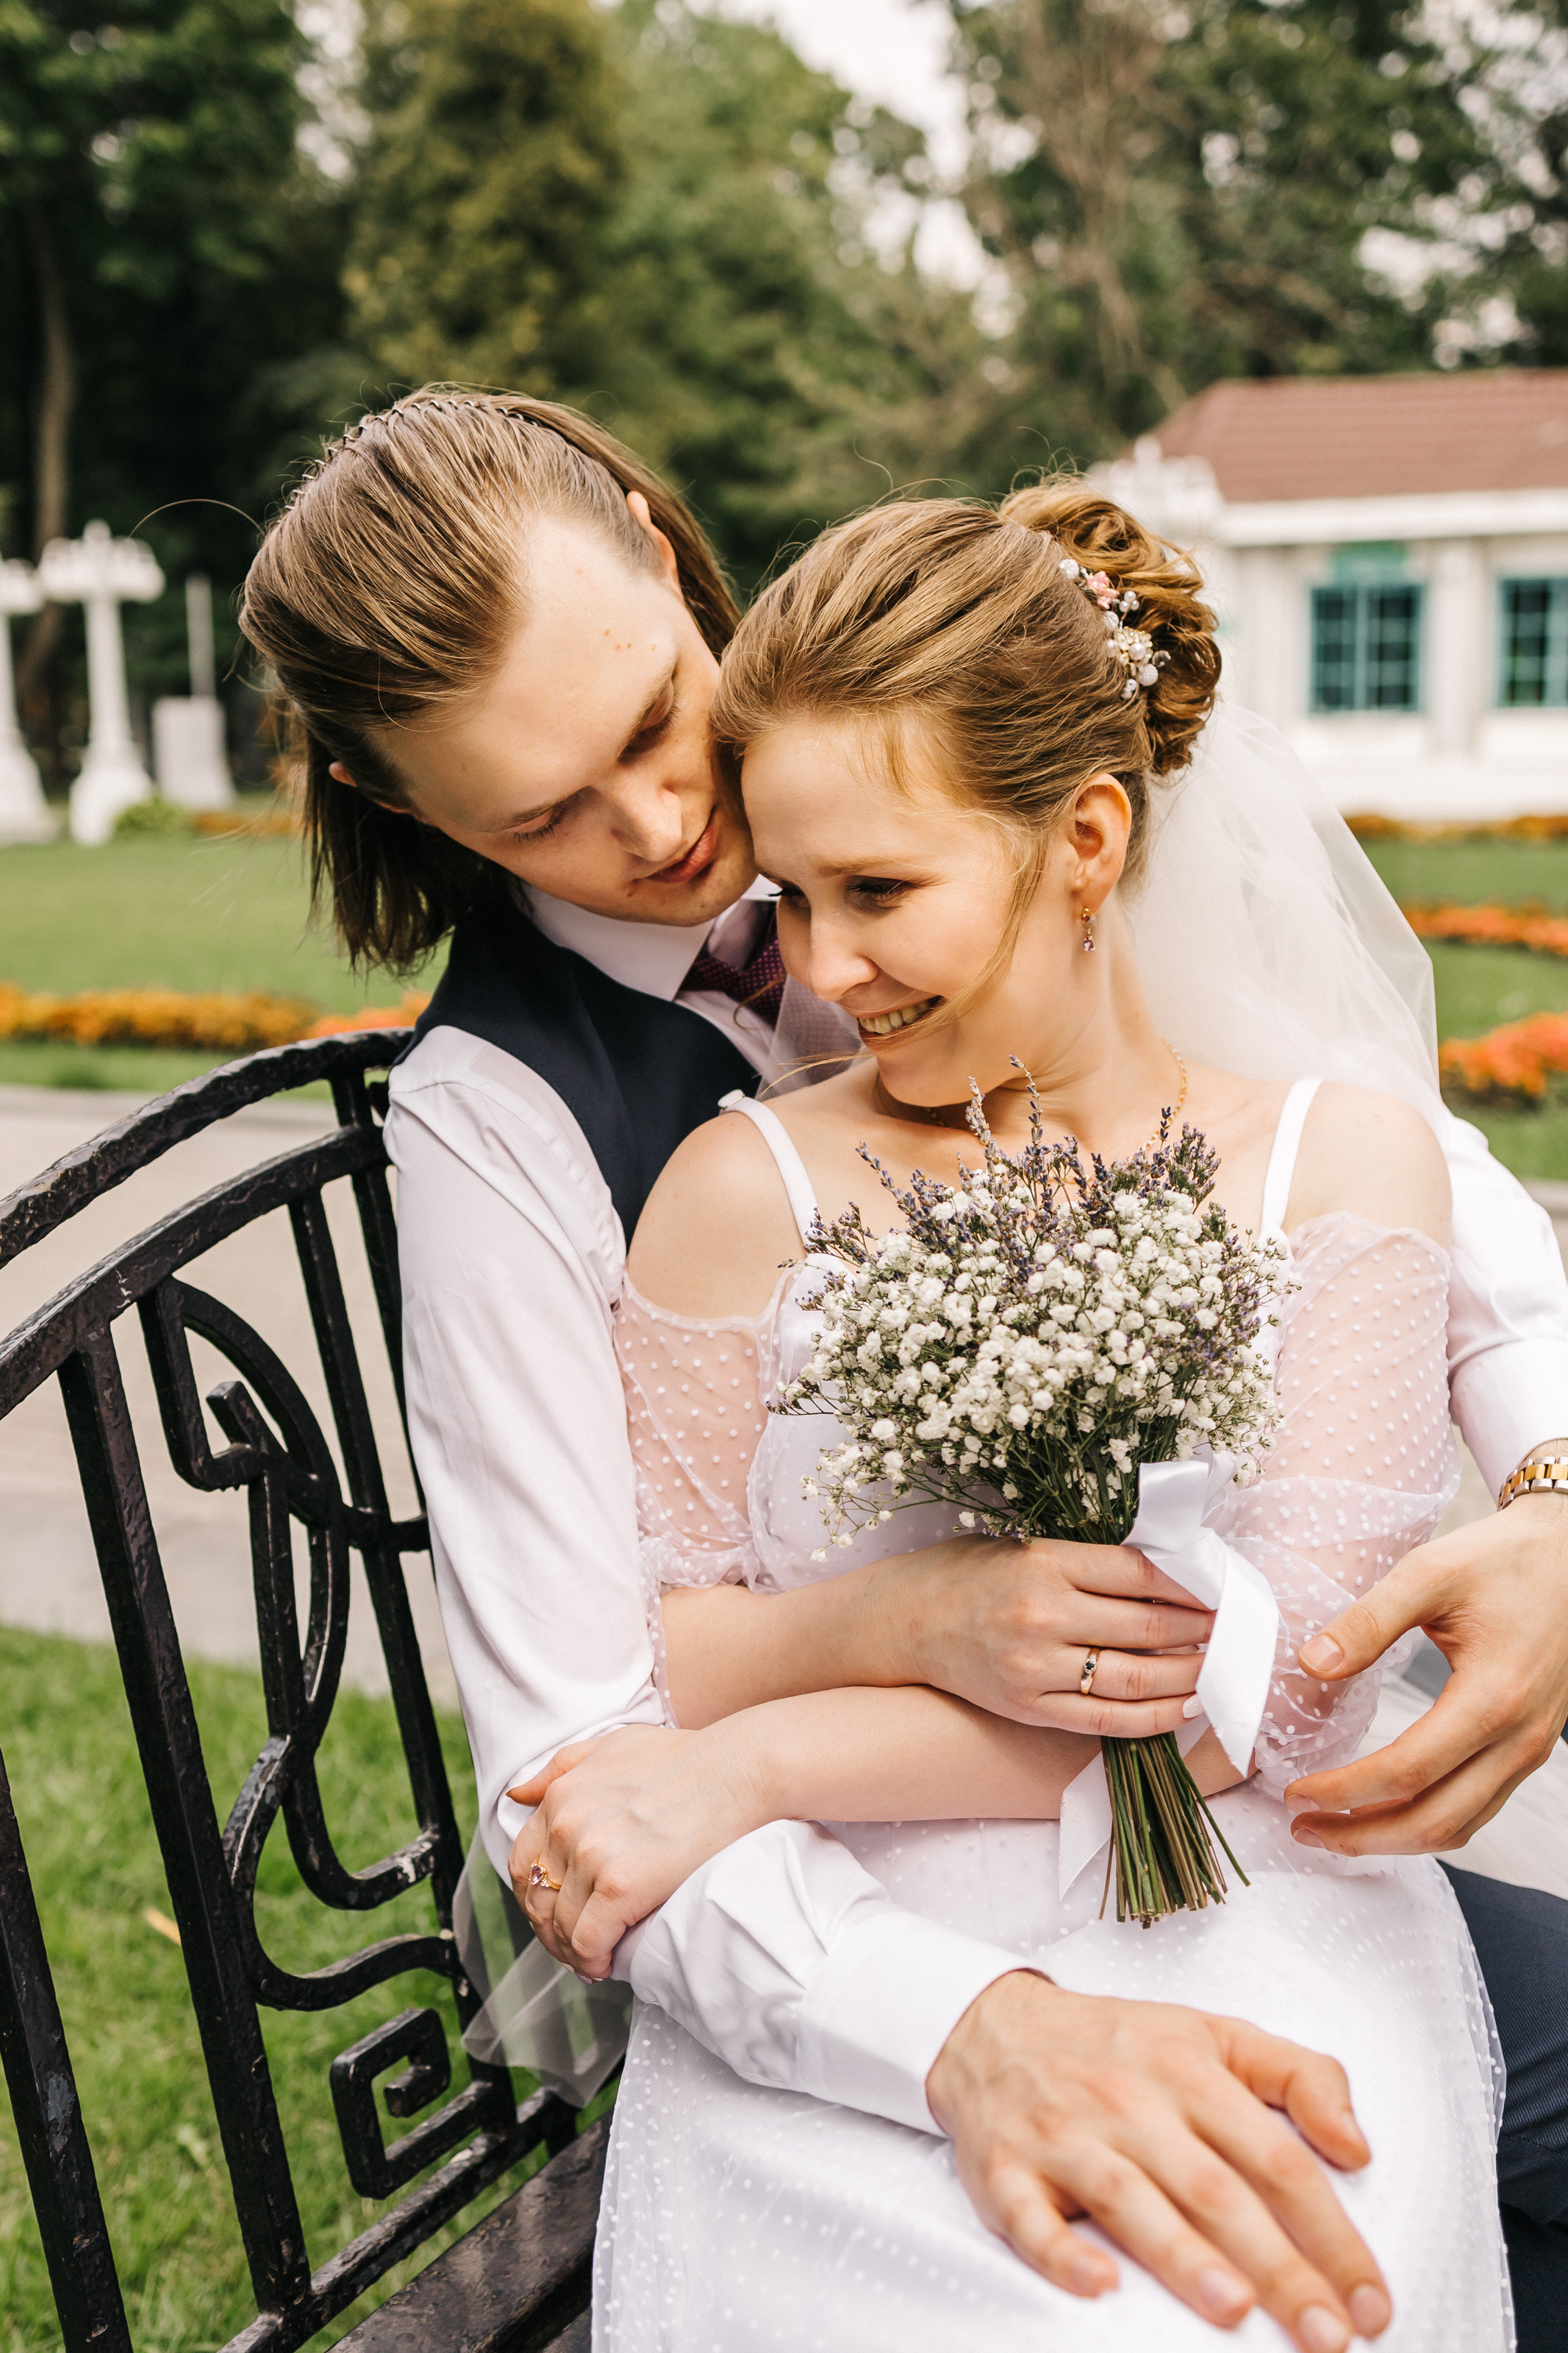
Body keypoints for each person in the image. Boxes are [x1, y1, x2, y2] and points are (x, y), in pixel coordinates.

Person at [238, 389, 1568, 2337]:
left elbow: (1403, 1183)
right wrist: (966, 2028)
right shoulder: (509, 1127)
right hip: (846, 1924)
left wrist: (1553, 1494)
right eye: (544, 815)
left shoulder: (904, 719)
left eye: (655, 725)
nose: (668, 832)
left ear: (658, 547)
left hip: (1226, 1835)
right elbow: (577, 1758)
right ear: (402, 807)